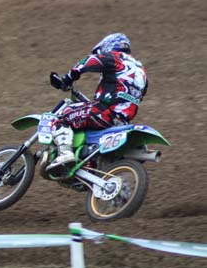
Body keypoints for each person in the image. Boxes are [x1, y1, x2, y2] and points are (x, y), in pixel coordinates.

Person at [46, 33, 148, 173]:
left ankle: (65, 154)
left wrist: (68, 79)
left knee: (61, 117)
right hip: (122, 121)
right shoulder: (141, 71)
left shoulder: (116, 57)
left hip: (105, 111)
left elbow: (89, 61)